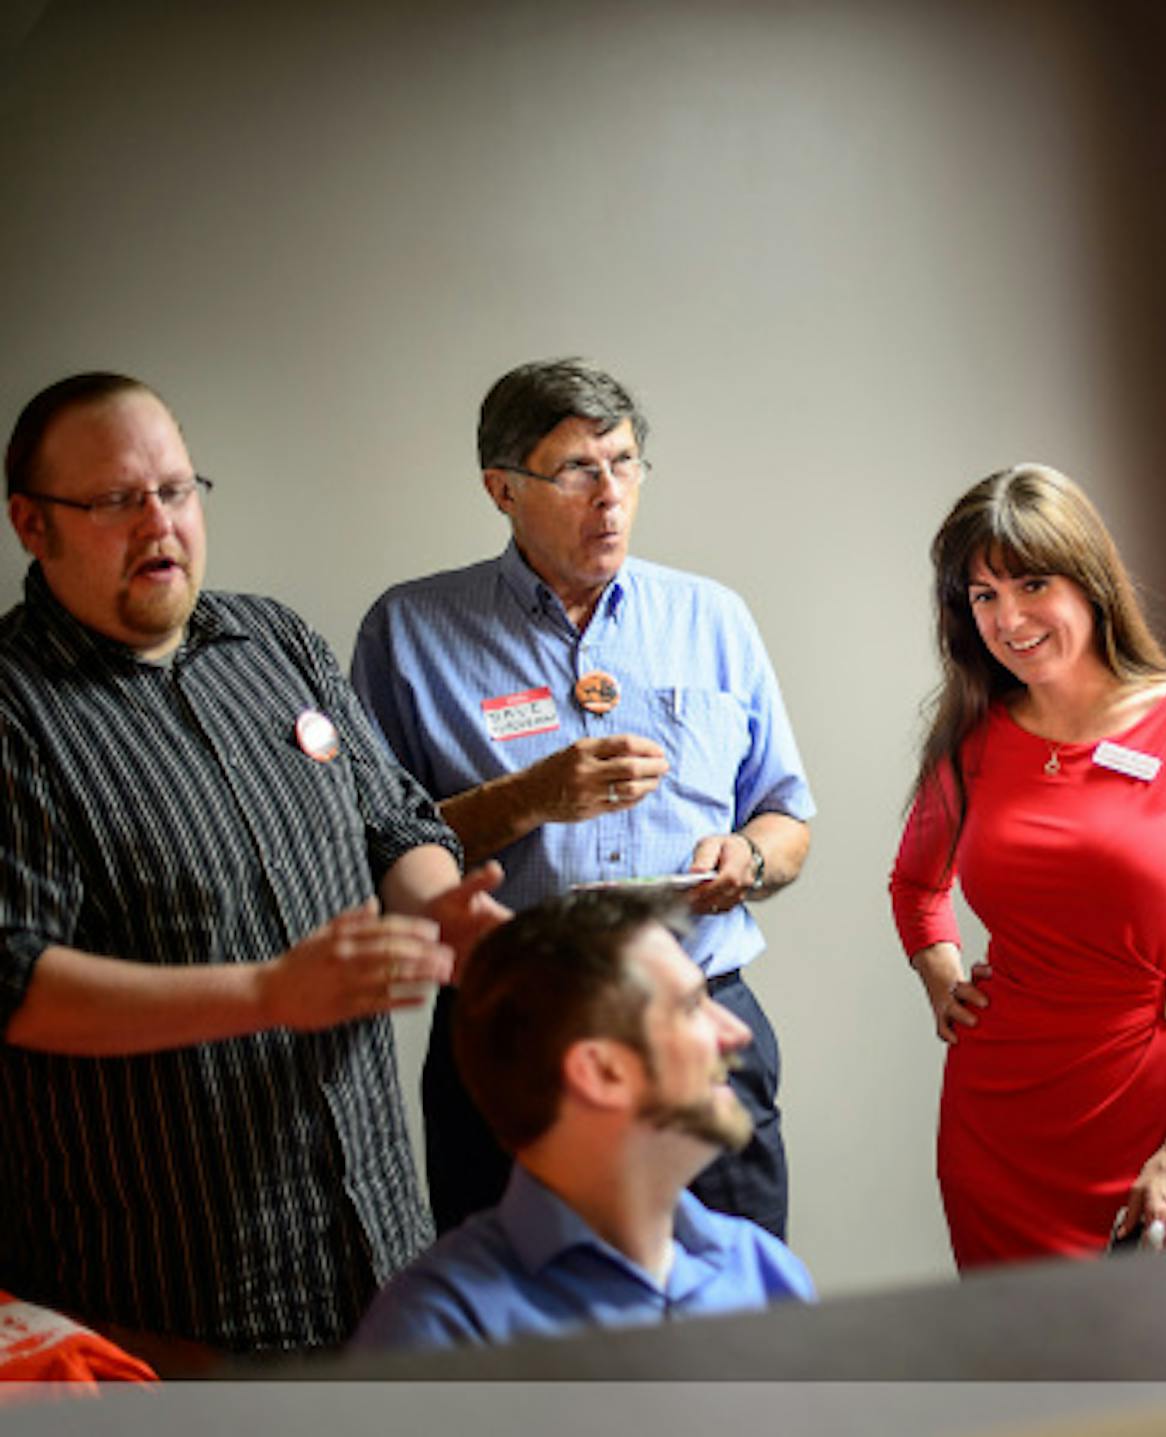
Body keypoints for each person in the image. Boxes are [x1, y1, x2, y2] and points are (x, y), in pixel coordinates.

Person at [0, 373, 506, 1358]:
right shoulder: (14, 710)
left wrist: (446, 913)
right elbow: (13, 983)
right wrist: (269, 993)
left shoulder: (274, 639)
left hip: (380, 1260)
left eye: (178, 489)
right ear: (33, 524)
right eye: (115, 500)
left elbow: (394, 823)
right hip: (171, 1303)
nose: (160, 521)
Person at [352, 359, 814, 1241]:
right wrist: (531, 797)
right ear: (502, 488)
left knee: (738, 1324)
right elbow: (369, 849)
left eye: (625, 463)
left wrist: (748, 858)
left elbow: (787, 820)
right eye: (575, 469)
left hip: (700, 1015)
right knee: (522, 1335)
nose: (610, 496)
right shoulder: (408, 631)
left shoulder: (713, 618)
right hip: (515, 1025)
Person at [888, 464, 1166, 1268]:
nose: (1010, 617)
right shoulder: (971, 740)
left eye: (1033, 583)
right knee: (1027, 1381)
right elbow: (914, 884)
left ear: (1092, 582)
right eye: (984, 595)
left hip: (1156, 1113)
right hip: (999, 1126)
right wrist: (941, 976)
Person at [352, 890, 813, 1351]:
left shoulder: (763, 1270)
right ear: (598, 1071)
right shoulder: (441, 1330)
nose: (737, 1032)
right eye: (692, 1005)